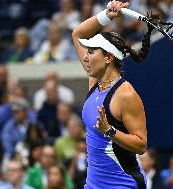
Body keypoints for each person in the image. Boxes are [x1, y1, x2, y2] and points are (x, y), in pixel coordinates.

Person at [71, 1, 154, 188]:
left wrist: (110, 131)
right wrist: (107, 15)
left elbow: (141, 145)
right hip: (93, 184)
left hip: (122, 184)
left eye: (91, 52)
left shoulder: (126, 95)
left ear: (108, 58)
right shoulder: (95, 79)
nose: (86, 57)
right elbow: (78, 34)